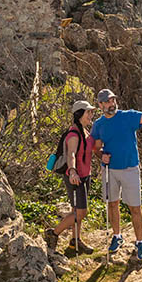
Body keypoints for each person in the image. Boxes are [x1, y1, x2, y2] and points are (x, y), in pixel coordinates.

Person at [91, 87, 142, 261]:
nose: (111, 104)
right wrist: (102, 155)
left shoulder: (128, 116)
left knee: (135, 207)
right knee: (112, 204)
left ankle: (139, 243)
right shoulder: (98, 125)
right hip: (110, 170)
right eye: (107, 101)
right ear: (100, 105)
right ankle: (117, 236)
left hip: (130, 169)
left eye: (112, 100)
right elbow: (96, 148)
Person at [45, 100, 96, 254]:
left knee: (76, 210)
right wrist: (73, 171)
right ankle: (53, 233)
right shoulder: (74, 134)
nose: (91, 115)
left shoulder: (86, 132)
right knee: (80, 212)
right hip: (75, 177)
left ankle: (75, 241)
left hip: (85, 176)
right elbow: (71, 155)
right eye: (88, 112)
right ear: (79, 114)